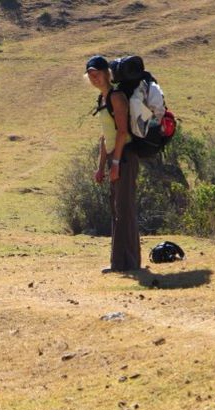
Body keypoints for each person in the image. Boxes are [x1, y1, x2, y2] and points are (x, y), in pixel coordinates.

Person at [86, 55, 141, 272]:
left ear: (107, 73)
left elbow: (122, 132)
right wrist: (101, 167)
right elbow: (105, 136)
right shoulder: (102, 99)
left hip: (124, 156)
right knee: (117, 208)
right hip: (114, 157)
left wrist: (116, 163)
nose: (94, 78)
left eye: (97, 74)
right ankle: (119, 263)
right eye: (91, 75)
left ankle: (129, 263)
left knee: (124, 209)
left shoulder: (117, 97)